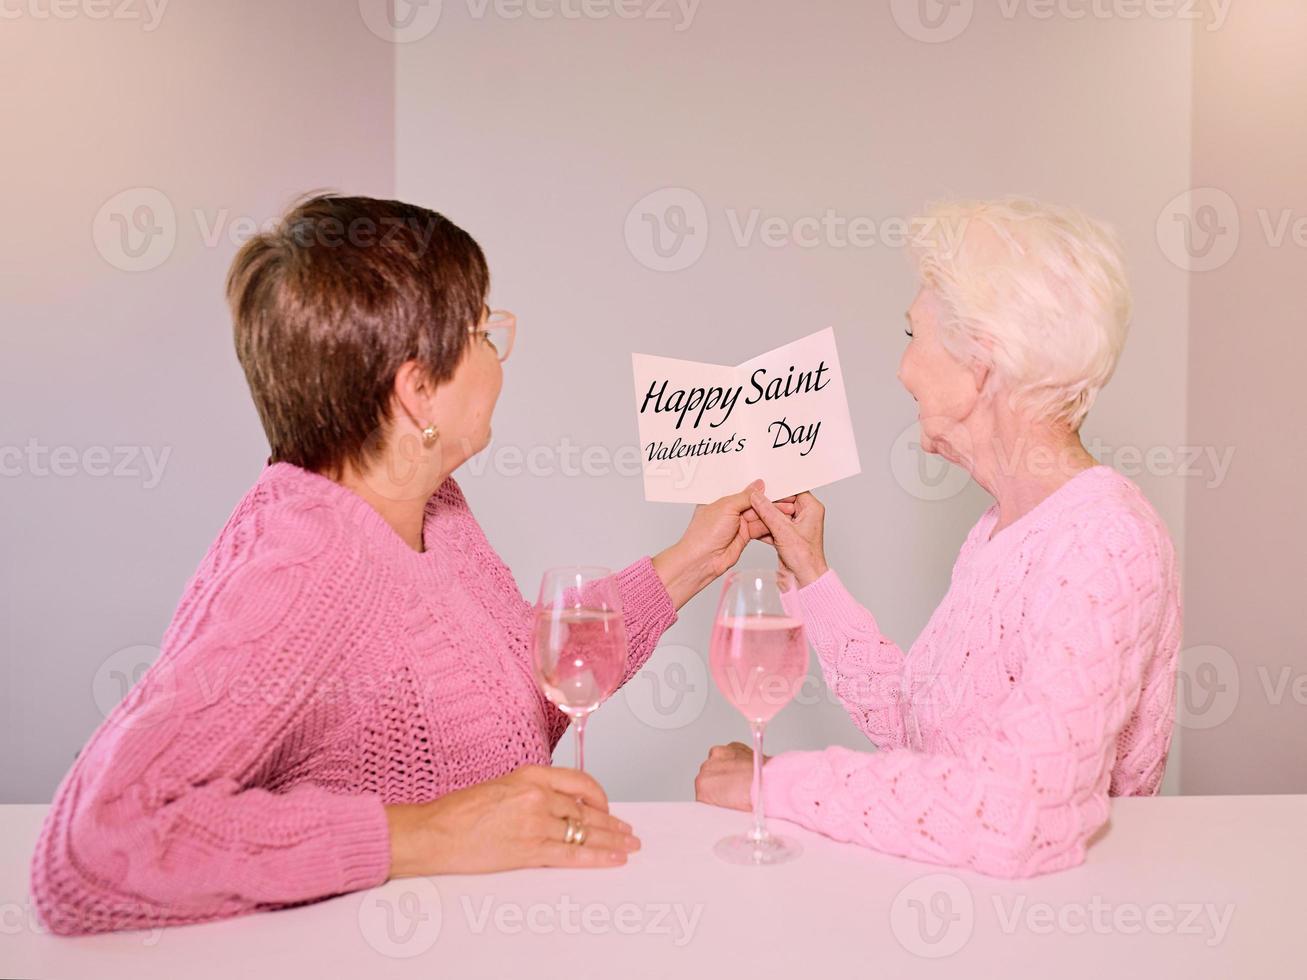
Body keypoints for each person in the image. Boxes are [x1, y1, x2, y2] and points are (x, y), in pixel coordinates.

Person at [31, 193, 788, 935]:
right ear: (418, 389)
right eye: (484, 331)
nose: (498, 354)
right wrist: (429, 835)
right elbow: (91, 849)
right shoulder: (300, 563)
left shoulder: (435, 509)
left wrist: (693, 559)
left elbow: (522, 689)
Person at [696, 197, 1183, 878]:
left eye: (911, 336)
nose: (902, 371)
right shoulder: (1000, 528)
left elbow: (1019, 813)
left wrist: (772, 784)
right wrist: (811, 573)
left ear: (979, 361)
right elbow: (922, 734)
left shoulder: (1103, 541)